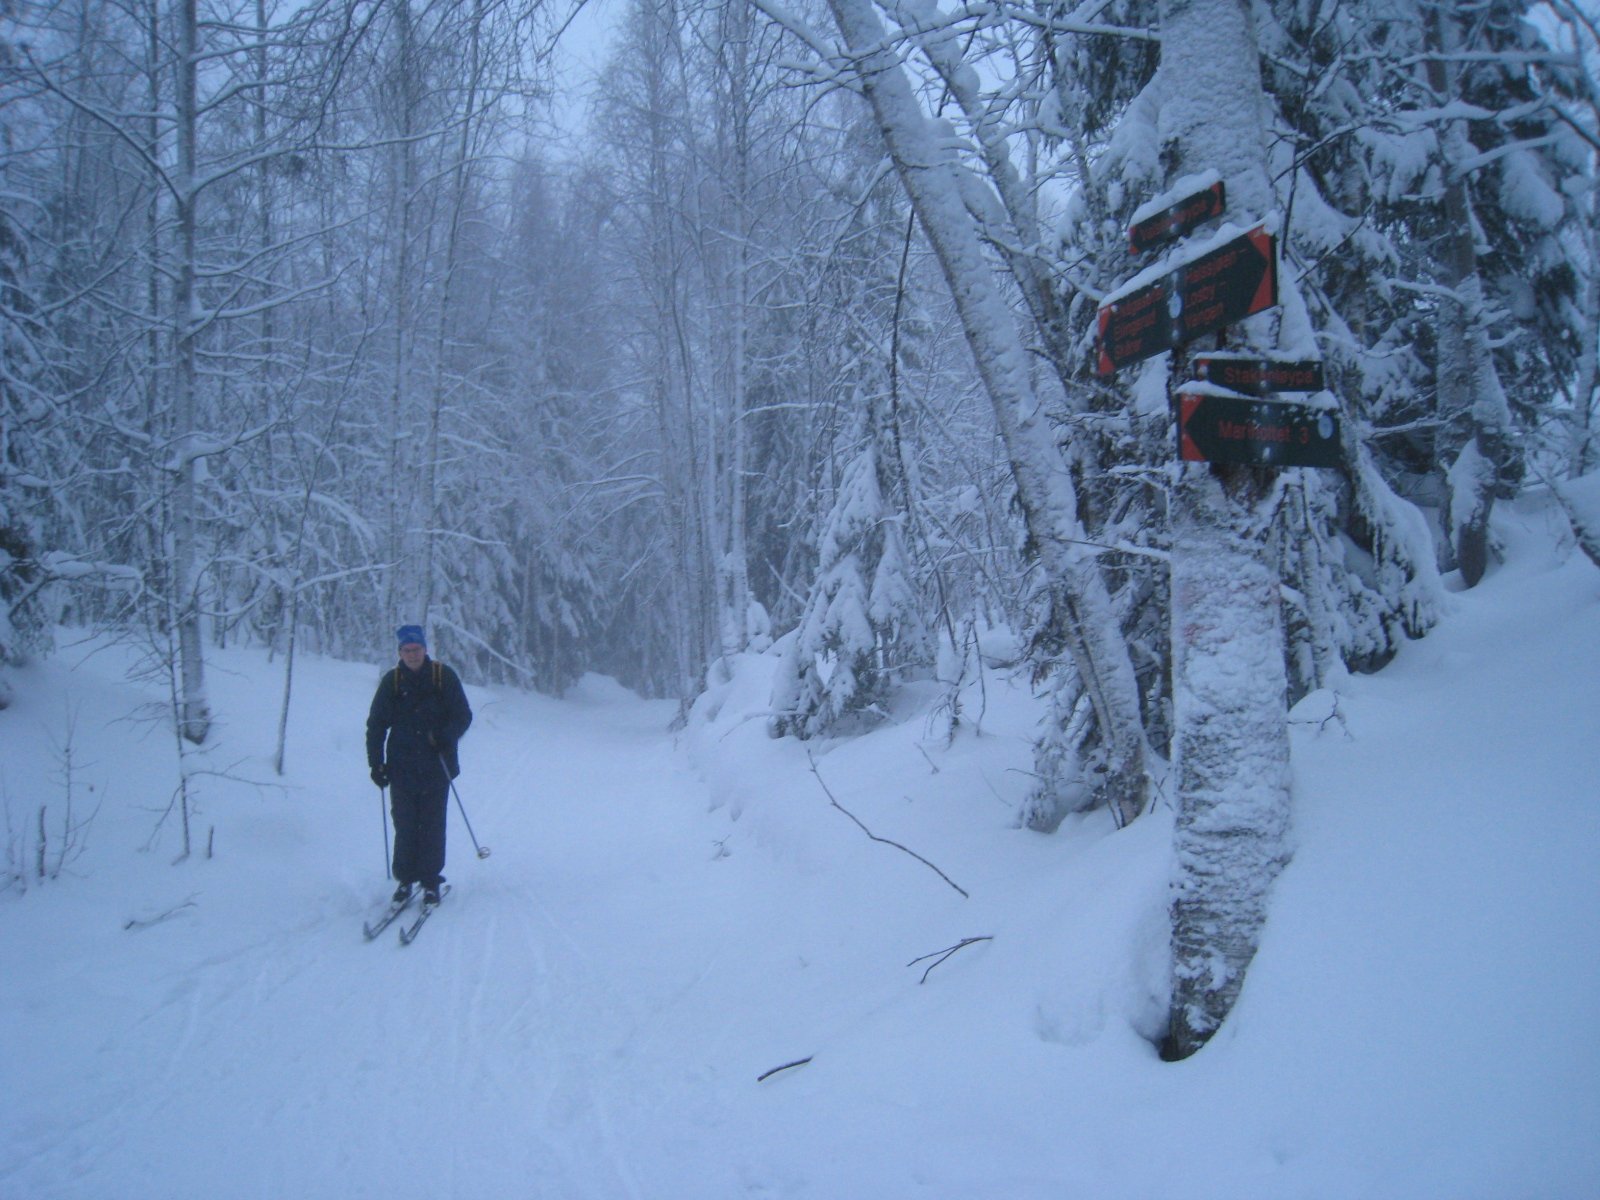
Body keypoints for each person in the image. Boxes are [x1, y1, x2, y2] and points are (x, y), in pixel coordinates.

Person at [366, 625, 473, 907]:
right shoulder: (392, 681)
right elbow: (376, 725)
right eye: (406, 650)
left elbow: (463, 715)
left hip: (437, 766)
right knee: (404, 823)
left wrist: (444, 736)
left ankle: (429, 882)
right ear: (400, 652)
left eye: (416, 649)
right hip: (401, 767)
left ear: (425, 649)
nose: (412, 654)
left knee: (432, 823)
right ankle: (405, 879)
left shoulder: (442, 676)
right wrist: (376, 764)